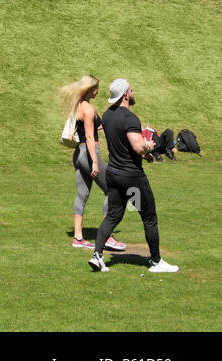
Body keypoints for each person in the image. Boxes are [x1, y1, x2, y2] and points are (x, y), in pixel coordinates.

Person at [89, 79, 178, 274]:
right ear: (126, 95)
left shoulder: (107, 116)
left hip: (113, 175)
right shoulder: (130, 119)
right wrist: (151, 146)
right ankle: (156, 262)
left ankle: (97, 255)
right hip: (132, 179)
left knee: (113, 215)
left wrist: (142, 154)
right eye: (131, 90)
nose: (133, 91)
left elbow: (123, 144)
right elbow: (137, 146)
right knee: (149, 217)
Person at [58, 75, 125, 251]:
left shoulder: (78, 105)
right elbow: (89, 136)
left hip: (78, 154)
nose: (98, 91)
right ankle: (107, 236)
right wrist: (94, 162)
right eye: (96, 88)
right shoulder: (87, 108)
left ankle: (78, 238)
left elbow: (95, 127)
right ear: (89, 90)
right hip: (88, 153)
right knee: (112, 191)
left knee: (82, 194)